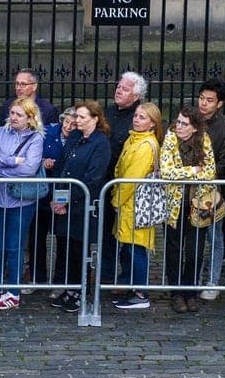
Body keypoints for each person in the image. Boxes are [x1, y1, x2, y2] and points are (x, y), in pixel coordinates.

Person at [0, 97, 45, 311]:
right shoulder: (0, 132)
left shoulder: (35, 138)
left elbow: (29, 169)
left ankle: (13, 291)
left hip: (21, 201)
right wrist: (12, 161)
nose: (13, 117)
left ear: (30, 118)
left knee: (14, 246)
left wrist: (1, 169)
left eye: (19, 114)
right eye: (12, 113)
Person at [49, 101, 111, 314]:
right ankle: (68, 286)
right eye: (77, 116)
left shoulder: (100, 143)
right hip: (64, 202)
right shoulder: (75, 137)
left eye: (83, 117)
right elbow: (61, 166)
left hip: (82, 205)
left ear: (95, 119)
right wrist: (57, 197)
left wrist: (67, 199)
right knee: (65, 247)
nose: (77, 120)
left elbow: (93, 178)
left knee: (79, 249)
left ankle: (80, 289)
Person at [159, 105, 217, 314]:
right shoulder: (170, 138)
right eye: (178, 122)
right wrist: (192, 170)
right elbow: (167, 172)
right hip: (174, 204)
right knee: (174, 250)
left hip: (198, 204)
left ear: (194, 127)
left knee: (195, 251)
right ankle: (176, 292)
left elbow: (210, 173)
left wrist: (182, 173)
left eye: (185, 124)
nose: (179, 127)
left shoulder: (204, 140)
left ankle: (190, 291)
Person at [110, 102, 164, 310]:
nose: (136, 119)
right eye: (136, 115)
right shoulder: (133, 139)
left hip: (136, 206)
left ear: (152, 123)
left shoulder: (145, 145)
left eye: (142, 117)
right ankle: (131, 288)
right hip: (128, 205)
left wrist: (116, 198)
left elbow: (131, 179)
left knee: (136, 251)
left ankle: (140, 292)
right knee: (129, 249)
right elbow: (120, 169)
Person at [99, 72, 147, 284]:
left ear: (136, 96)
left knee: (128, 239)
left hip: (126, 188)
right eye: (119, 86)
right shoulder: (107, 112)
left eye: (125, 89)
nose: (119, 90)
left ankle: (128, 279)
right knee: (105, 234)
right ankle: (105, 275)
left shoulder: (138, 117)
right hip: (103, 183)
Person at [196, 78, 225, 300]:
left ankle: (212, 279)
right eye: (202, 98)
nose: (204, 103)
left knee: (215, 237)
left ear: (219, 103)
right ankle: (192, 277)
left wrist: (203, 172)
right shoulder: (190, 119)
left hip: (213, 191)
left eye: (210, 100)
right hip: (189, 188)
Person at [31, 106, 76, 289]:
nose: (69, 127)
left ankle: (60, 280)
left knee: (62, 237)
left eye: (74, 124)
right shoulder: (47, 132)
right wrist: (42, 162)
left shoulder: (78, 138)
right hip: (43, 189)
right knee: (37, 236)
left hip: (63, 191)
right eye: (67, 122)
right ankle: (37, 276)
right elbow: (33, 153)